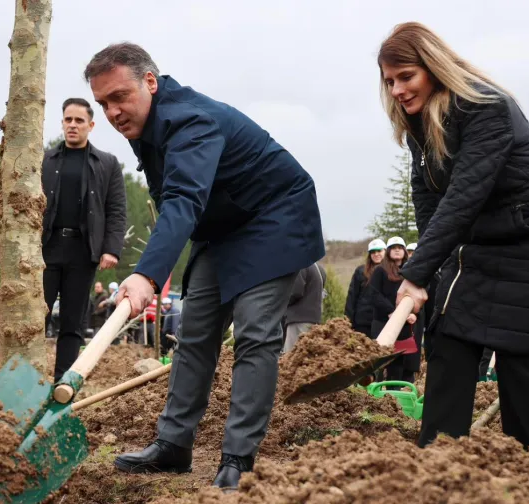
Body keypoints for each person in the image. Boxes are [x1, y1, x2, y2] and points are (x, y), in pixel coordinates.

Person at [85, 42, 324, 490]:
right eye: (104, 103)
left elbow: (183, 200)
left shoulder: (190, 120)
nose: (113, 112)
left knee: (255, 333)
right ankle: (173, 445)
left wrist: (147, 273)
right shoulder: (148, 126)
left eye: (120, 96)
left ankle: (238, 459)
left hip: (275, 218)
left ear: (150, 82)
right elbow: (181, 198)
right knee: (195, 330)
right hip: (224, 225)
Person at [380, 23, 529, 466]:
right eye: (389, 81)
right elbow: (429, 206)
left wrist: (414, 272)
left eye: (406, 76)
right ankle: (436, 473)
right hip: (483, 245)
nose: (396, 89)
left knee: (522, 368)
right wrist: (427, 279)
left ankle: (528, 478)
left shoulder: (484, 105)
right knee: (448, 342)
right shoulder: (420, 130)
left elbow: (465, 196)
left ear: (432, 67)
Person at [41, 97, 127, 382]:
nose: (73, 125)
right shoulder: (44, 161)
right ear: (62, 123)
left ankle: (61, 385)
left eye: (79, 121)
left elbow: (116, 210)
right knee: (35, 318)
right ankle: (29, 381)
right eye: (68, 120)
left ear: (90, 125)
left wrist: (111, 249)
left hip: (83, 251)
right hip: (46, 250)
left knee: (72, 323)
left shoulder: (108, 164)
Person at [369, 237, 419, 382]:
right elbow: (374, 294)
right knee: (379, 360)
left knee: (397, 364)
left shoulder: (410, 271)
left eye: (399, 247)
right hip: (382, 322)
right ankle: (375, 393)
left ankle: (393, 394)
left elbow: (416, 294)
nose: (397, 249)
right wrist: (391, 311)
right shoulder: (380, 271)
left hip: (403, 325)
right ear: (389, 251)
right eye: (393, 247)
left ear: (404, 251)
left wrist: (413, 313)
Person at [344, 239, 385, 337]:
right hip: (362, 322)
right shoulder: (361, 271)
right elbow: (352, 297)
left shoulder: (392, 271)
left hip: (383, 322)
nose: (376, 254)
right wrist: (347, 320)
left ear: (385, 251)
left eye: (379, 251)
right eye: (373, 252)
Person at [283, 263, 326, 353]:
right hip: (312, 319)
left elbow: (295, 292)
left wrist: (281, 302)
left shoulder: (301, 264)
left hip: (298, 319)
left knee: (291, 357)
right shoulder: (315, 267)